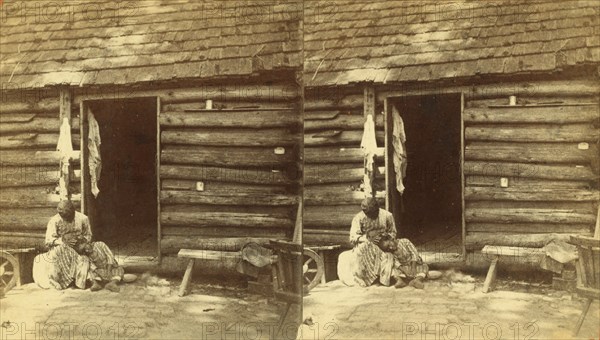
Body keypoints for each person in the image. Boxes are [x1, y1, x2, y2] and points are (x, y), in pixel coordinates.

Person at [35, 200, 124, 292]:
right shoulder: (54, 221)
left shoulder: (83, 218)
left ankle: (105, 281)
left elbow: (88, 235)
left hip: (81, 246)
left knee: (90, 258)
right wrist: (63, 242)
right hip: (63, 247)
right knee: (75, 258)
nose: (66, 219)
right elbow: (48, 240)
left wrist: (82, 242)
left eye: (68, 216)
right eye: (63, 217)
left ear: (73, 211)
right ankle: (86, 281)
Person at [344, 197, 428, 289]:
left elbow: (393, 232)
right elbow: (352, 237)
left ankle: (398, 277)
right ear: (364, 212)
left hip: (386, 244)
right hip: (368, 244)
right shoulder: (358, 218)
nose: (372, 216)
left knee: (389, 257)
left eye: (374, 213)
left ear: (378, 209)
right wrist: (368, 239)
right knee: (369, 249)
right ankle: (375, 277)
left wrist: (384, 238)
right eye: (369, 214)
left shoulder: (387, 216)